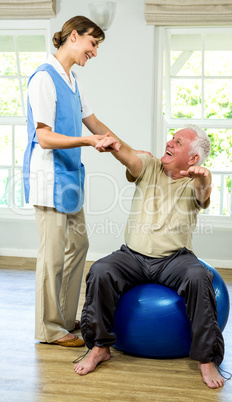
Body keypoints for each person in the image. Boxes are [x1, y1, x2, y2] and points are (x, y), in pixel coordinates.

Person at [73, 125, 226, 388]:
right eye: (172, 138)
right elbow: (129, 156)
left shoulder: (194, 183)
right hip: (132, 256)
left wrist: (205, 178)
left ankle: (206, 359)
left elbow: (203, 193)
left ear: (193, 159)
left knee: (200, 276)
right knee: (100, 271)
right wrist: (114, 148)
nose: (170, 142)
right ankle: (99, 347)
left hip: (175, 259)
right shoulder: (150, 166)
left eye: (178, 142)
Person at [23, 16, 120, 347]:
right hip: (48, 177)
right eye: (93, 43)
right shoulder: (44, 79)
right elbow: (45, 138)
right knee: (51, 255)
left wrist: (131, 150)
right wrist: (89, 143)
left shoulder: (73, 81)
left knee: (78, 245)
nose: (95, 51)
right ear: (74, 36)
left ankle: (64, 319)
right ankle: (48, 330)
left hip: (68, 178)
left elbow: (94, 123)